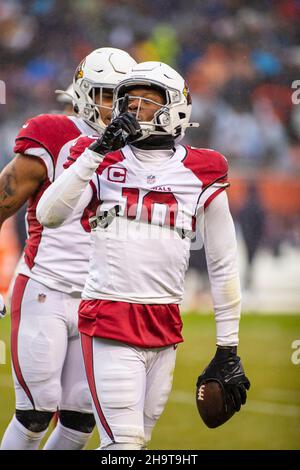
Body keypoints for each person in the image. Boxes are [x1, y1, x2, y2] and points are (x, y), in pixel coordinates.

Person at [37, 61, 250, 450]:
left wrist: (227, 348)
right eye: (128, 102)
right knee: (124, 444)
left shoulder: (204, 168)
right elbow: (49, 215)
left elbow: (223, 262)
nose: (134, 111)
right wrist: (97, 151)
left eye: (147, 102)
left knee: (138, 442)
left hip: (165, 320)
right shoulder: (98, 156)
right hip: (109, 314)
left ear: (177, 108)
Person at [0, 47, 137, 450]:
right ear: (83, 93)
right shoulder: (55, 134)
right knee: (35, 413)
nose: (117, 108)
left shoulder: (142, 151)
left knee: (80, 419)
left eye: (125, 97)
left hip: (100, 299)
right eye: (108, 95)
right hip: (47, 288)